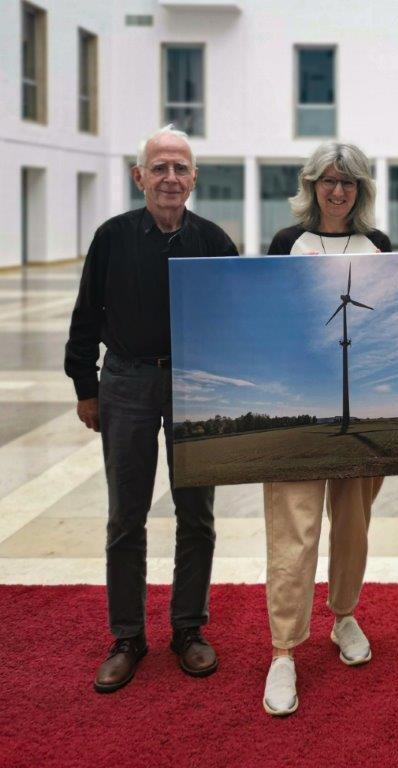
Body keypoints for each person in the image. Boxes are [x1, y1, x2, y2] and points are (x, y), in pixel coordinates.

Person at [65, 125, 238, 693]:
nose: (170, 178)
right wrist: (85, 386)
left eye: (180, 168)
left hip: (195, 387)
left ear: (194, 179)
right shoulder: (111, 237)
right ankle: (127, 636)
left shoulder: (215, 241)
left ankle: (188, 629)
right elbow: (86, 316)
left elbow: (238, 320)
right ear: (139, 176)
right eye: (158, 167)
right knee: (126, 517)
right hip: (126, 384)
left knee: (198, 516)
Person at [260, 142, 391, 716]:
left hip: (362, 400)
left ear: (361, 190)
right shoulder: (286, 244)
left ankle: (343, 617)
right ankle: (283, 650)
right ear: (311, 185)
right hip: (299, 404)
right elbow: (275, 321)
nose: (338, 191)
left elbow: (385, 325)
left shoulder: (380, 247)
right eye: (328, 181)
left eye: (349, 183)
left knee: (354, 523)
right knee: (295, 527)